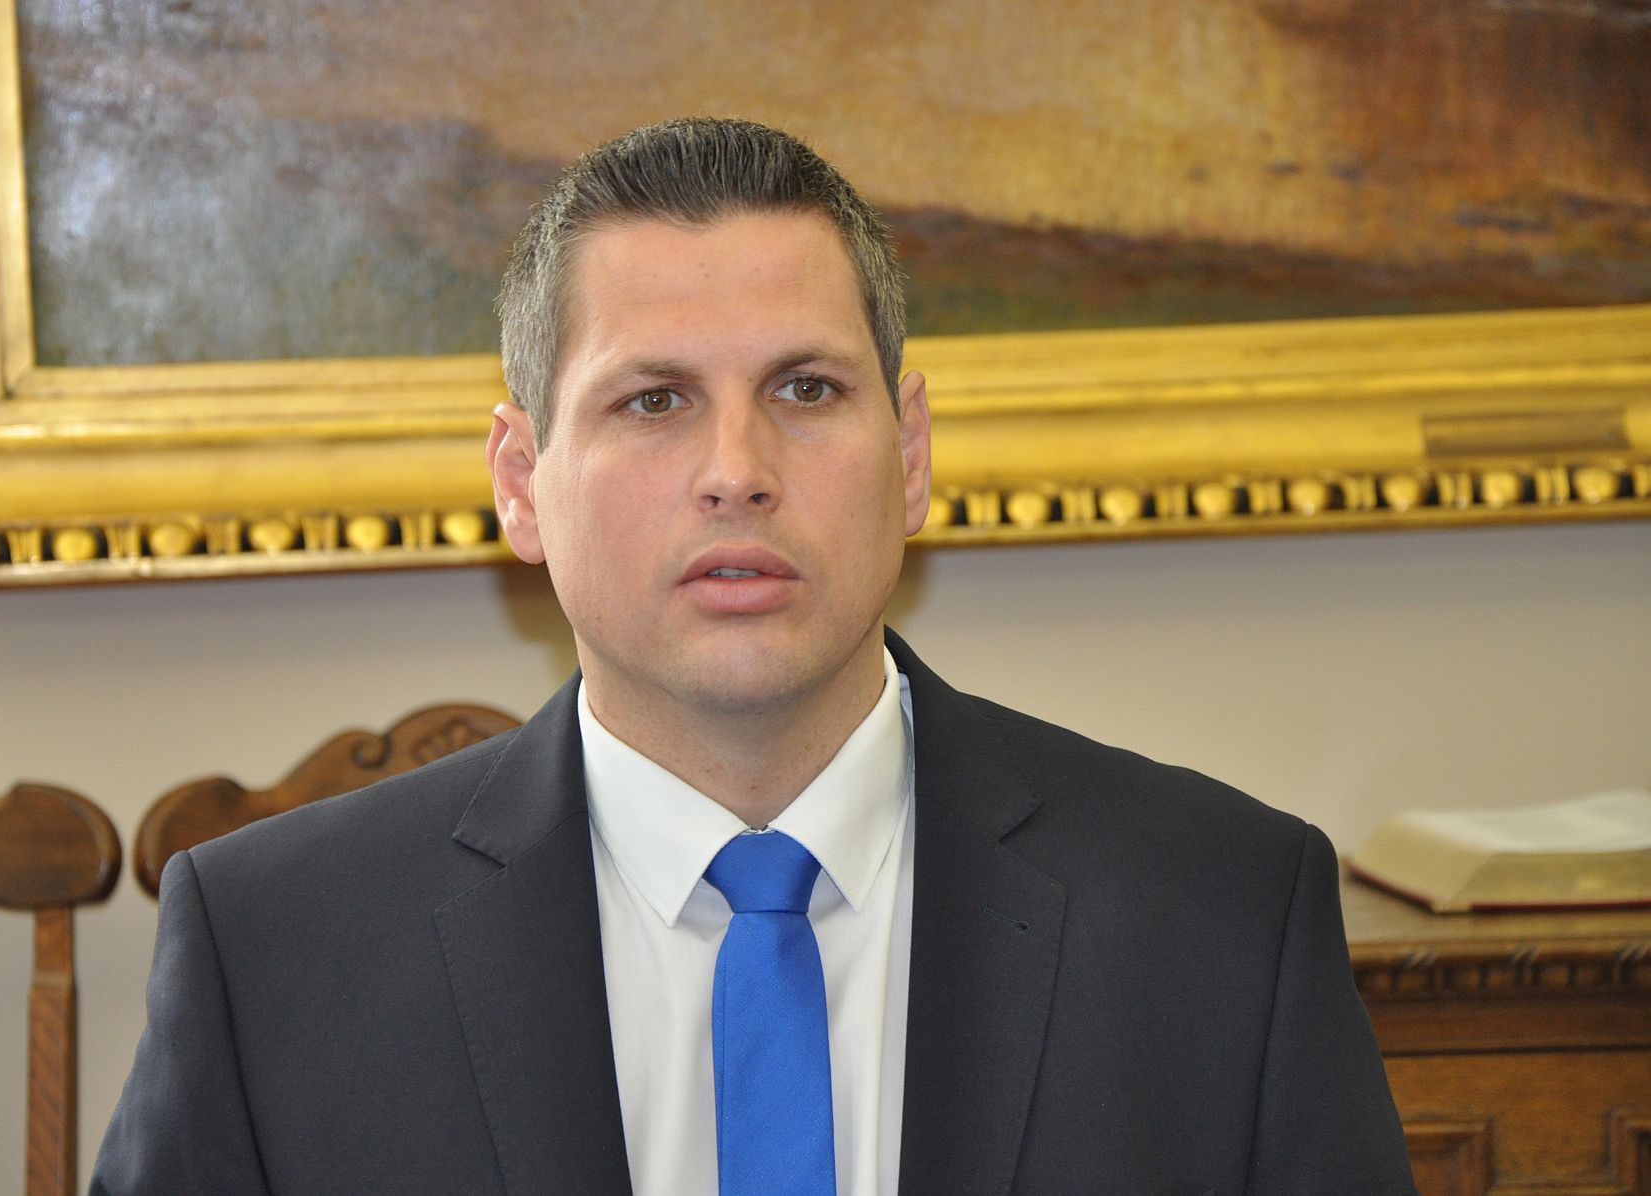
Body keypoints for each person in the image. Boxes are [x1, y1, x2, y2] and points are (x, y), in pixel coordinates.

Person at [92, 118, 1416, 1195]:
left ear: (910, 456)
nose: (738, 471)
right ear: (521, 482)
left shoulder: (1224, 917)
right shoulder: (273, 956)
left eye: (805, 389)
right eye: (654, 400)